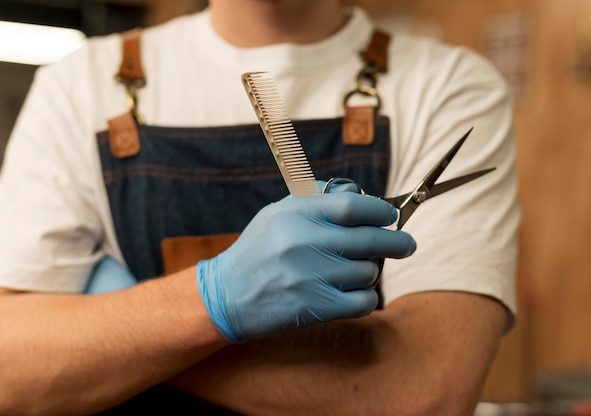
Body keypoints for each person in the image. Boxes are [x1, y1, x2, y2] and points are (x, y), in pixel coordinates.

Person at [0, 0, 520, 414]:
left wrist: (130, 325)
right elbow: (12, 371)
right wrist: (214, 299)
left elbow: (423, 394)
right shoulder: (78, 83)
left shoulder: (448, 86)